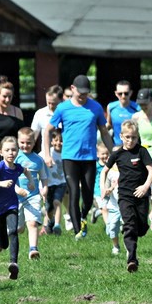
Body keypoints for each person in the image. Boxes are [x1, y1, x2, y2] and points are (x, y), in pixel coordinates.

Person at [41, 75, 113, 241]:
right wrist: (46, 154)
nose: (82, 96)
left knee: (88, 196)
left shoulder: (95, 107)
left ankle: (82, 217)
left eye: (86, 93)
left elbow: (103, 131)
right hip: (70, 157)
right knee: (74, 191)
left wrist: (115, 153)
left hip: (89, 157)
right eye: (80, 92)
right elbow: (47, 130)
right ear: (72, 89)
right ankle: (78, 231)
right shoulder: (63, 108)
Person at [0, 136, 35, 281]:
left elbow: (26, 170)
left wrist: (31, 182)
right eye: (7, 150)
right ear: (1, 152)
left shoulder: (17, 167)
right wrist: (1, 184)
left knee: (13, 231)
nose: (11, 153)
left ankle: (13, 264)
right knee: (3, 243)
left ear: (17, 151)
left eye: (13, 150)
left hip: (11, 205)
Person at [102, 120, 152, 272]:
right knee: (130, 226)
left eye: (133, 137)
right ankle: (131, 259)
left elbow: (151, 171)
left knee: (142, 228)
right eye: (127, 137)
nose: (130, 140)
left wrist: (146, 187)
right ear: (121, 136)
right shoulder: (117, 154)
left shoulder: (142, 151)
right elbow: (104, 171)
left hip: (141, 195)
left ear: (137, 137)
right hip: (124, 196)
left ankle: (135, 230)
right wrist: (103, 187)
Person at [15, 127, 49, 260]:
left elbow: (44, 176)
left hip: (33, 196)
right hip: (16, 197)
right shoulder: (15, 158)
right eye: (22, 142)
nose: (25, 145)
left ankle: (33, 249)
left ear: (34, 143)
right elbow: (10, 177)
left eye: (28, 143)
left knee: (33, 223)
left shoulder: (38, 160)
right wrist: (16, 189)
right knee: (18, 228)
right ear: (18, 142)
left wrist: (44, 188)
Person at [42, 129, 67, 234]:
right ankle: (49, 224)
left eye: (61, 140)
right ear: (51, 141)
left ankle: (57, 225)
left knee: (57, 202)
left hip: (61, 183)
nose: (58, 143)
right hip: (49, 184)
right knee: (48, 209)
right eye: (56, 140)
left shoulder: (67, 153)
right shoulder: (47, 153)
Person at [105, 81, 140, 146]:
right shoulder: (111, 107)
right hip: (117, 146)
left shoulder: (137, 108)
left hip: (133, 146)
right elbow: (109, 125)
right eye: (120, 93)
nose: (123, 96)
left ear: (131, 93)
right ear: (116, 93)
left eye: (126, 93)